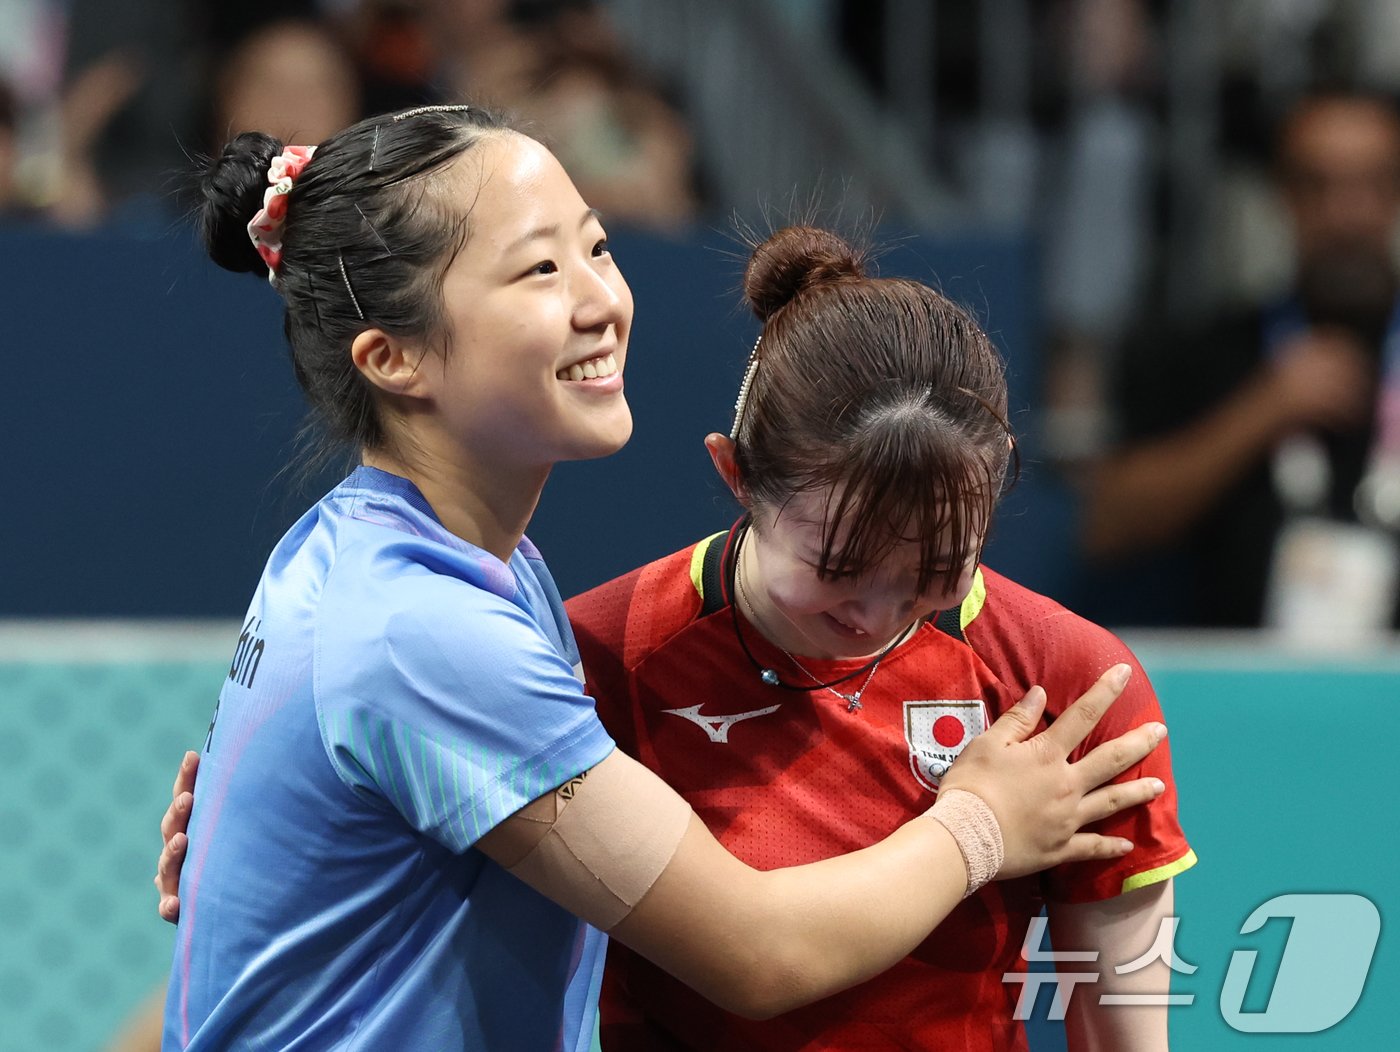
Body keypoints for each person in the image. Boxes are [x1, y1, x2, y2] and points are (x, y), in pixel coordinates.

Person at [155, 103, 1167, 1050]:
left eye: (594, 246)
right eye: (537, 271)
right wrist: (981, 822)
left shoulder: (441, 571)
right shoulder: (432, 628)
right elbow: (757, 952)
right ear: (391, 357)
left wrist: (272, 857)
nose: (599, 298)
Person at [1084, 89, 1400, 630]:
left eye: (1371, 183)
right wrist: (1261, 412)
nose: (1345, 213)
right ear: (1282, 196)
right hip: (1242, 688)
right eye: (1316, 184)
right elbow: (1108, 523)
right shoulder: (1202, 351)